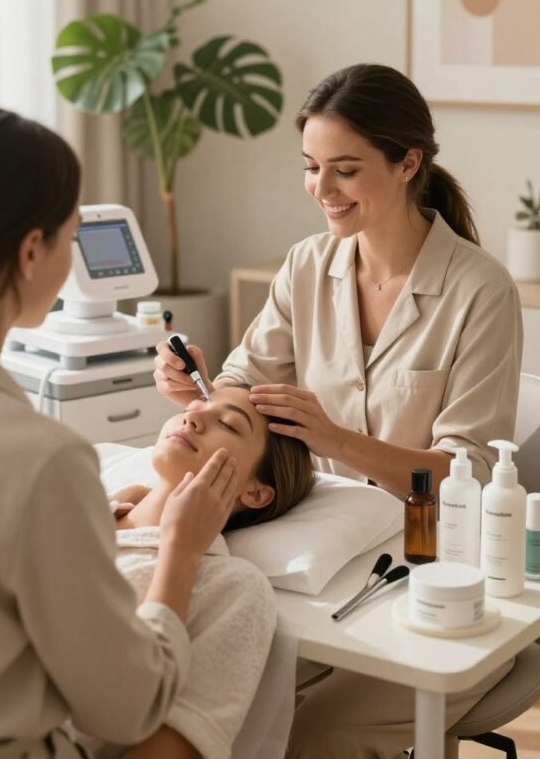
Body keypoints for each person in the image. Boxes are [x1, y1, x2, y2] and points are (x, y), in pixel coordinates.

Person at [154, 63, 521, 759]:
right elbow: (243, 382)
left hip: (432, 576)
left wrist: (336, 438)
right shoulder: (304, 267)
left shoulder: (480, 291)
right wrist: (194, 386)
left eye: (344, 170)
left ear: (407, 162)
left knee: (312, 733)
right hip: (323, 566)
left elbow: (463, 473)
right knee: (220, 703)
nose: (321, 190)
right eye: (310, 167)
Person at [0, 109, 240, 759]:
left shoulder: (45, 470)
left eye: (232, 421)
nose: (200, 417)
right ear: (33, 251)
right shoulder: (41, 460)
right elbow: (126, 707)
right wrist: (179, 552)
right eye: (71, 236)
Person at [85, 385, 315, 759]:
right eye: (195, 405)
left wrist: (181, 551)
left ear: (256, 492)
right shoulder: (78, 511)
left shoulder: (232, 589)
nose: (192, 416)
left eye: (227, 423)